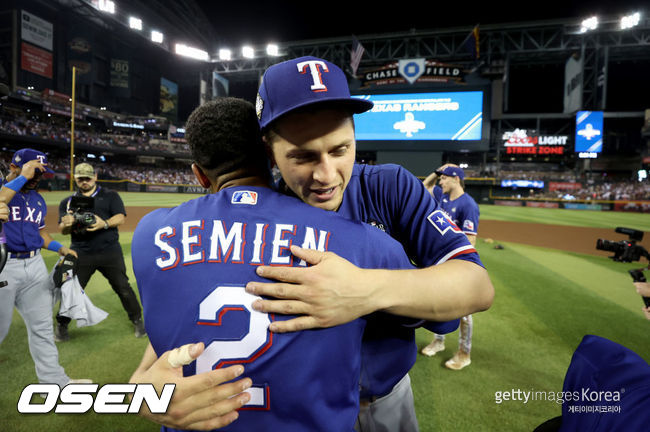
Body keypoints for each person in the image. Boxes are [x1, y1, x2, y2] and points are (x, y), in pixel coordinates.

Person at [130, 97, 444, 431]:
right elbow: (444, 318)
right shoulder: (363, 241)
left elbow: (175, 317)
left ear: (199, 176)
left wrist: (137, 385)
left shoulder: (150, 234)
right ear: (272, 155)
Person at [245, 56, 494, 431]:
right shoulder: (253, 209)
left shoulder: (388, 186)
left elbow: (476, 286)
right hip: (292, 408)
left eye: (340, 150)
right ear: (270, 152)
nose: (326, 175)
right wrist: (156, 380)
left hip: (382, 405)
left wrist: (360, 291)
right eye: (303, 156)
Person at [0, 148, 90, 387]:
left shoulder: (37, 199)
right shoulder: (4, 189)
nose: (38, 177)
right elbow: (1, 199)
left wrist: (60, 248)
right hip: (3, 266)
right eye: (34, 172)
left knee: (41, 327)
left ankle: (54, 382)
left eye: (41, 172)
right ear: (14, 168)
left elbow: (39, 232)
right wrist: (23, 176)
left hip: (35, 265)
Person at [55, 162, 144, 341]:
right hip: (81, 252)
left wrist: (103, 223)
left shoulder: (110, 196)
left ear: (95, 177)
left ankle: (137, 320)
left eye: (88, 177)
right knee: (73, 290)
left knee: (123, 287)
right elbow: (61, 230)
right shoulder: (68, 202)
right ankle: (62, 325)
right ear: (75, 179)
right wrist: (67, 224)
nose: (85, 181)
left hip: (109, 251)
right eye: (81, 178)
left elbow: (120, 217)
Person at [420, 164, 480, 370]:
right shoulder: (441, 196)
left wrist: (458, 267)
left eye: (444, 178)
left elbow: (470, 240)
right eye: (441, 179)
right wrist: (436, 172)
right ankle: (439, 341)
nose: (441, 182)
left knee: (463, 312)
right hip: (440, 260)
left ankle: (464, 353)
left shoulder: (468, 205)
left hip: (459, 264)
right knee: (440, 304)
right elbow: (424, 186)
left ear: (456, 179)